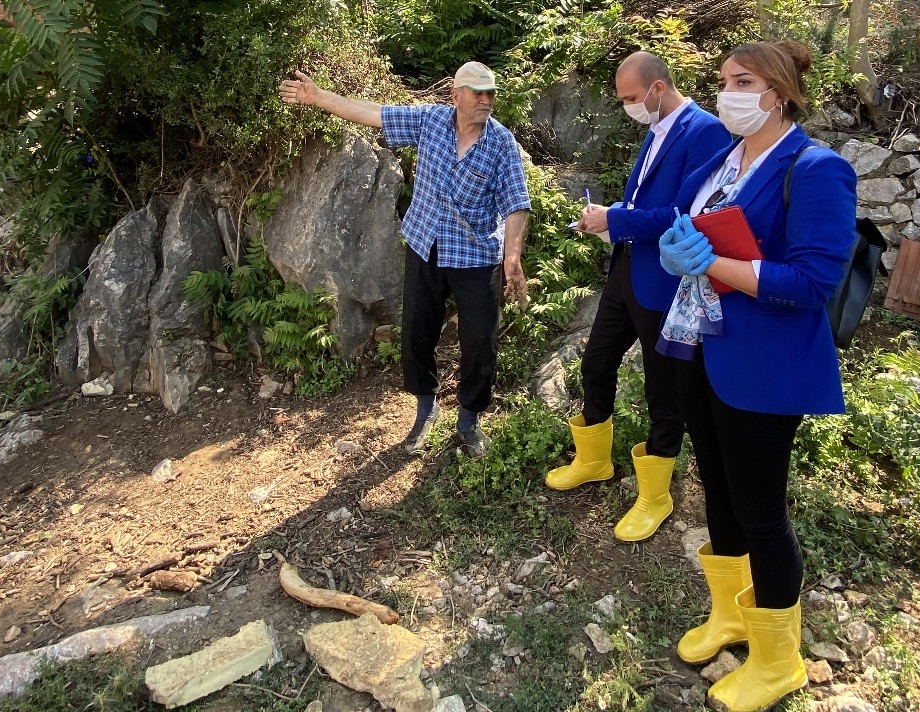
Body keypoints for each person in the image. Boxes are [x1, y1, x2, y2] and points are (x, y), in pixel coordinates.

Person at [655, 40, 857, 712]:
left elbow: (813, 280)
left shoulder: (817, 168)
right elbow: (690, 224)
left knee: (761, 511)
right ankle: (731, 616)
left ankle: (780, 660)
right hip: (701, 348)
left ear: (778, 91)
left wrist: (712, 265)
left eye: (742, 81)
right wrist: (675, 245)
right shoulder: (723, 159)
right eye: (722, 81)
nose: (728, 93)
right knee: (715, 488)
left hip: (764, 365)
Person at [278, 62, 531, 458]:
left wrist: (511, 255)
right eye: (477, 92)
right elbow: (374, 113)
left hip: (476, 255)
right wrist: (318, 97)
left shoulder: (501, 144)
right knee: (416, 333)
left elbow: (517, 203)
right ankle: (425, 408)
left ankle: (468, 419)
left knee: (480, 342)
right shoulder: (430, 121)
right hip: (425, 245)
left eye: (491, 93)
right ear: (456, 96)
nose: (486, 99)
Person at [543, 52, 729, 543]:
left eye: (631, 98)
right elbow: (647, 202)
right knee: (596, 361)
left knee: (662, 388)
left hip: (664, 280)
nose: (629, 107)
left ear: (659, 89)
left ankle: (656, 494)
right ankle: (595, 460)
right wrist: (612, 215)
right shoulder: (658, 127)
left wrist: (618, 220)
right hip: (626, 270)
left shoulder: (706, 131)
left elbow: (688, 213)